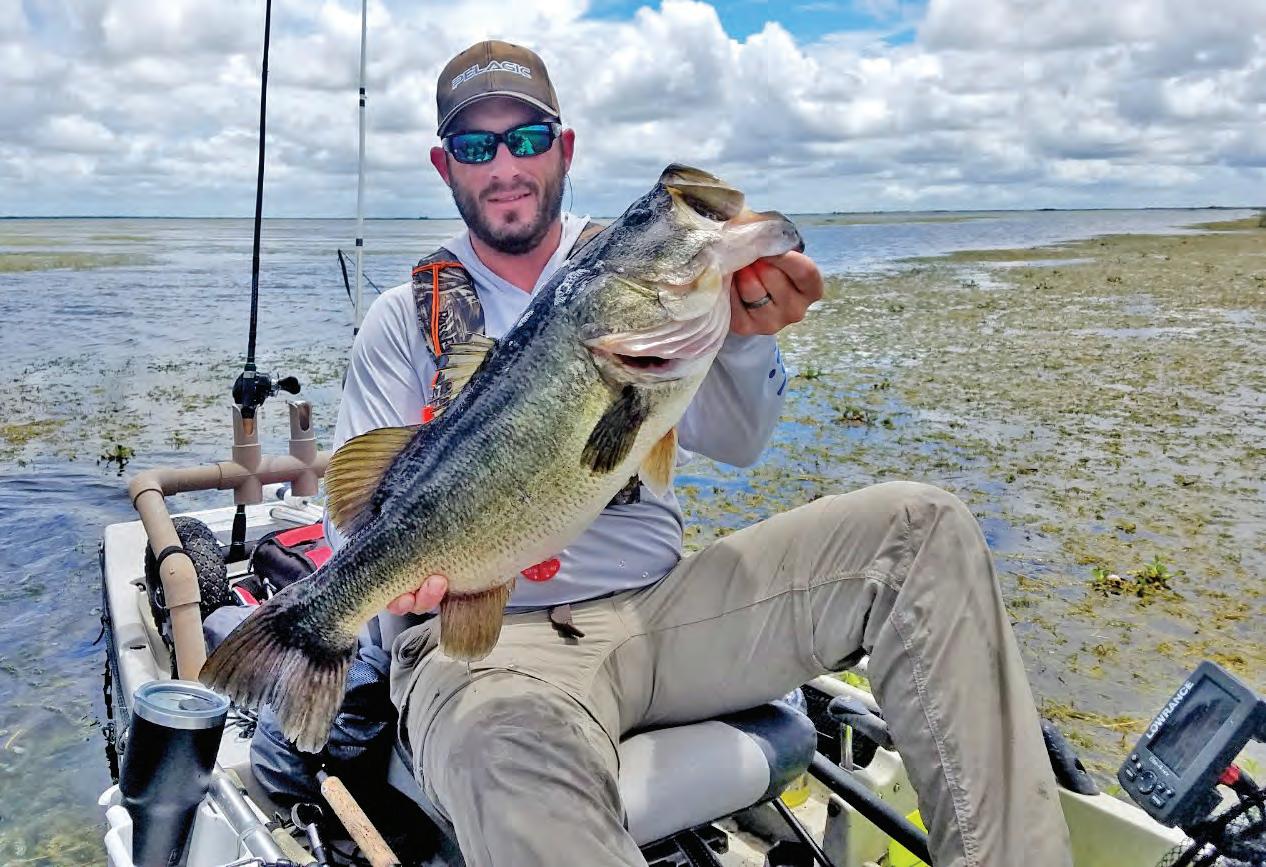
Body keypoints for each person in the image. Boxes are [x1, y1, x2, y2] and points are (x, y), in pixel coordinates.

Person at [328, 39, 1072, 867]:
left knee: (921, 530)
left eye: (527, 138)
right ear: (445, 166)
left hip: (665, 612)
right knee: (502, 745)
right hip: (492, 647)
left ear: (564, 148)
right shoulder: (403, 319)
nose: (504, 166)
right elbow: (356, 527)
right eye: (476, 146)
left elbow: (740, 440)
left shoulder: (646, 280)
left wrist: (746, 335)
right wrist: (399, 585)